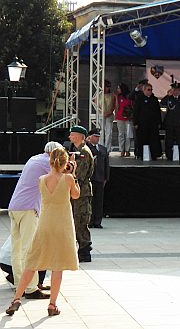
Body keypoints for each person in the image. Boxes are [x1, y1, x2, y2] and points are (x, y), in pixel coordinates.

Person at [5, 147, 80, 317]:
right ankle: (52, 305)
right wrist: (73, 173)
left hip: (45, 224)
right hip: (62, 225)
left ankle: (16, 299)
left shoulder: (42, 179)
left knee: (32, 263)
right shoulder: (68, 178)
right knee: (57, 267)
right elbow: (76, 195)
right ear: (65, 162)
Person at [7, 141, 63, 300]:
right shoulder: (47, 163)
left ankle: (20, 283)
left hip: (15, 206)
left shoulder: (34, 159)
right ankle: (31, 288)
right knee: (29, 249)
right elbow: (61, 178)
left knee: (17, 248)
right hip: (28, 208)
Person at [68, 125, 95, 262]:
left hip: (82, 192)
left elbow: (80, 174)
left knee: (80, 221)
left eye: (72, 134)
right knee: (75, 220)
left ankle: (85, 250)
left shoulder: (83, 152)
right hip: (76, 191)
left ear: (79, 136)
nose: (70, 137)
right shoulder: (77, 151)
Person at [132, 83, 162, 160]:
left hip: (153, 123)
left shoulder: (154, 99)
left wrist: (159, 122)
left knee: (153, 139)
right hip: (142, 123)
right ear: (144, 90)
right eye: (148, 90)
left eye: (151, 90)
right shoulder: (139, 98)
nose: (150, 91)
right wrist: (135, 122)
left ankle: (154, 154)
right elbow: (135, 111)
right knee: (142, 139)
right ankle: (141, 154)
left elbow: (158, 112)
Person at [87, 128, 109, 229]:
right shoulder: (86, 148)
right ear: (90, 137)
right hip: (90, 178)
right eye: (95, 136)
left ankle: (98, 221)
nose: (97, 138)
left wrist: (106, 177)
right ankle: (90, 221)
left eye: (98, 137)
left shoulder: (103, 149)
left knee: (99, 201)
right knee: (90, 201)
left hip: (100, 178)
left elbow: (106, 164)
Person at [160, 83, 180, 160]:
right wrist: (168, 95)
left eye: (177, 90)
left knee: (179, 140)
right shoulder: (169, 98)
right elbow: (162, 103)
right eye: (174, 90)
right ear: (172, 90)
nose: (176, 92)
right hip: (169, 123)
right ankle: (169, 155)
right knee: (169, 140)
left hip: (179, 123)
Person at [114, 83, 133, 157]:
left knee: (128, 134)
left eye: (119, 88)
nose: (118, 90)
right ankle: (122, 149)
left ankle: (127, 149)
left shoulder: (129, 96)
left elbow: (131, 105)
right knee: (121, 134)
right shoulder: (119, 97)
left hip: (128, 117)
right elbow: (117, 107)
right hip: (120, 117)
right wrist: (116, 98)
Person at [100, 80, 116, 150]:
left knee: (108, 132)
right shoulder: (99, 94)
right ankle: (101, 146)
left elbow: (114, 105)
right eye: (106, 86)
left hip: (109, 114)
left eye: (108, 87)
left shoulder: (112, 95)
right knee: (101, 131)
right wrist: (101, 112)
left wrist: (110, 112)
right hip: (101, 114)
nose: (107, 88)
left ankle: (107, 148)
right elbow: (95, 103)